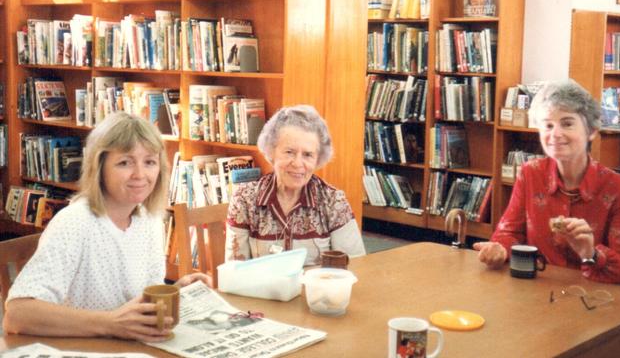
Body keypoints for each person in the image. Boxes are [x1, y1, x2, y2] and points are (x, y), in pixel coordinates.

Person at [3, 112, 208, 340]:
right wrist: (112, 324)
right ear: (99, 167)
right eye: (124, 162)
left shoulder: (148, 219)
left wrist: (176, 291)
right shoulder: (74, 222)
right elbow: (18, 314)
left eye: (149, 162)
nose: (140, 174)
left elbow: (138, 301)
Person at [473, 80, 620, 283]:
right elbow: (510, 232)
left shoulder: (619, 188)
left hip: (594, 298)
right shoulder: (530, 174)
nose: (555, 134)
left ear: (591, 131)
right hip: (537, 292)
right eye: (547, 125)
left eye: (567, 123)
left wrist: (591, 253)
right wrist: (500, 248)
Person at [225, 104, 366, 266]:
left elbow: (355, 267)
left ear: (318, 159)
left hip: (315, 291)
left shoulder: (333, 202)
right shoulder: (244, 199)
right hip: (261, 291)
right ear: (271, 152)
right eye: (289, 152)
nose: (298, 163)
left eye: (308, 155)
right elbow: (234, 270)